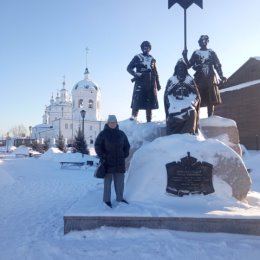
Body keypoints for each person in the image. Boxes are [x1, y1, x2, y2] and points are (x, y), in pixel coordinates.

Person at [182, 35, 226, 116]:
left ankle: (211, 116)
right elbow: (188, 66)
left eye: (205, 40)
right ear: (199, 42)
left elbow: (217, 65)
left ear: (207, 42)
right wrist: (185, 57)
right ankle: (196, 117)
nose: (203, 42)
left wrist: (221, 76)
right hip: (200, 77)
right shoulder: (196, 53)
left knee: (210, 98)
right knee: (197, 97)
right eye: (202, 41)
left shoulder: (211, 52)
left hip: (210, 77)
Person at [94, 115, 130, 208]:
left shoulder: (121, 134)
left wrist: (124, 155)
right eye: (111, 122)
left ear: (116, 123)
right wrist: (102, 156)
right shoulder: (103, 134)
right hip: (107, 163)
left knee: (120, 183)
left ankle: (120, 198)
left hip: (119, 163)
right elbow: (97, 146)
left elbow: (127, 145)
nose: (113, 124)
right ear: (108, 123)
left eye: (114, 122)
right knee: (107, 183)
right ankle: (106, 201)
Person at [127, 41, 161, 122]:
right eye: (144, 46)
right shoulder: (137, 57)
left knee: (149, 101)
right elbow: (129, 68)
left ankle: (149, 120)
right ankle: (133, 117)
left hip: (150, 83)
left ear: (150, 48)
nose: (146, 48)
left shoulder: (152, 59)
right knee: (137, 100)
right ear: (142, 48)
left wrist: (158, 84)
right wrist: (136, 74)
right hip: (140, 82)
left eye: (148, 47)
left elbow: (155, 72)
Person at [164, 59, 200, 135]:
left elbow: (196, 95)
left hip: (188, 103)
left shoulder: (190, 80)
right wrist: (171, 103)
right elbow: (167, 95)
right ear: (176, 69)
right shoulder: (171, 80)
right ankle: (172, 135)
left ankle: (188, 135)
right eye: (179, 67)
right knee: (172, 113)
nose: (181, 69)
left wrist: (193, 103)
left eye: (183, 67)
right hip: (174, 104)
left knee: (192, 111)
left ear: (185, 69)